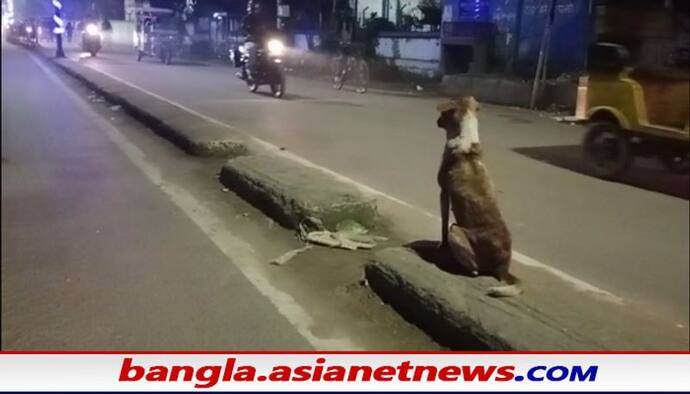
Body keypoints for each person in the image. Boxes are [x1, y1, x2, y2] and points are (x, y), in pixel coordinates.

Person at [240, 0, 270, 79]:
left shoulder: (262, 19)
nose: (256, 9)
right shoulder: (246, 18)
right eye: (254, 7)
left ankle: (271, 69)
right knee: (252, 50)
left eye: (257, 7)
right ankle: (251, 72)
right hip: (250, 41)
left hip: (262, 41)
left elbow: (269, 28)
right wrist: (248, 32)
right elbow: (243, 29)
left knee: (273, 51)